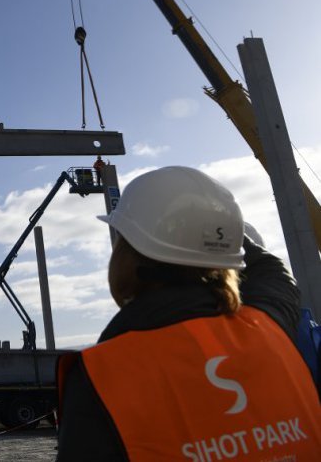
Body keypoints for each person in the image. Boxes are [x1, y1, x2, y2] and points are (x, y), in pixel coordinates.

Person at [56, 166, 320, 461]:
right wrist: (217, 230)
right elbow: (273, 272)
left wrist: (194, 231)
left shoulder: (102, 376)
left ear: (127, 256)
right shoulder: (271, 329)